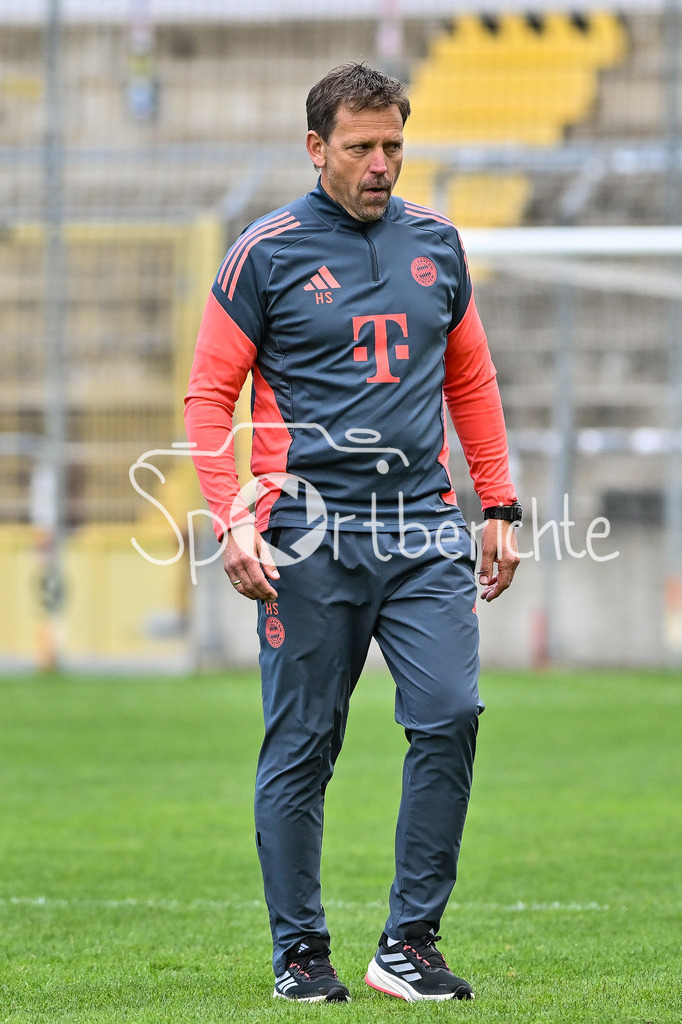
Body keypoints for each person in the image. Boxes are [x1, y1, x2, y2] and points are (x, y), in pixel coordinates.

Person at [184, 62, 520, 1004]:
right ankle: (301, 953)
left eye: (395, 146)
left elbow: (472, 381)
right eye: (363, 147)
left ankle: (408, 943)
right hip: (307, 536)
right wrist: (233, 518)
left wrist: (497, 502)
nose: (382, 164)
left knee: (451, 714)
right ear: (317, 148)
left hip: (422, 530)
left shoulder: (439, 246)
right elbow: (209, 395)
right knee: (304, 745)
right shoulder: (266, 251)